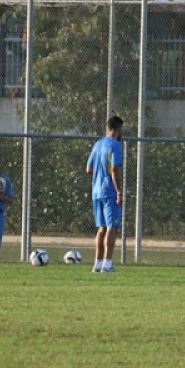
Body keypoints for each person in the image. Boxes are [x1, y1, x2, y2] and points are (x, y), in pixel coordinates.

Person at [86, 116, 124, 273]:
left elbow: (88, 169)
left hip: (96, 191)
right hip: (109, 191)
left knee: (101, 228)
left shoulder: (98, 144)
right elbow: (114, 168)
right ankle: (107, 264)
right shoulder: (116, 145)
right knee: (112, 227)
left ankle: (97, 263)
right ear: (118, 129)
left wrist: (100, 174)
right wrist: (119, 191)